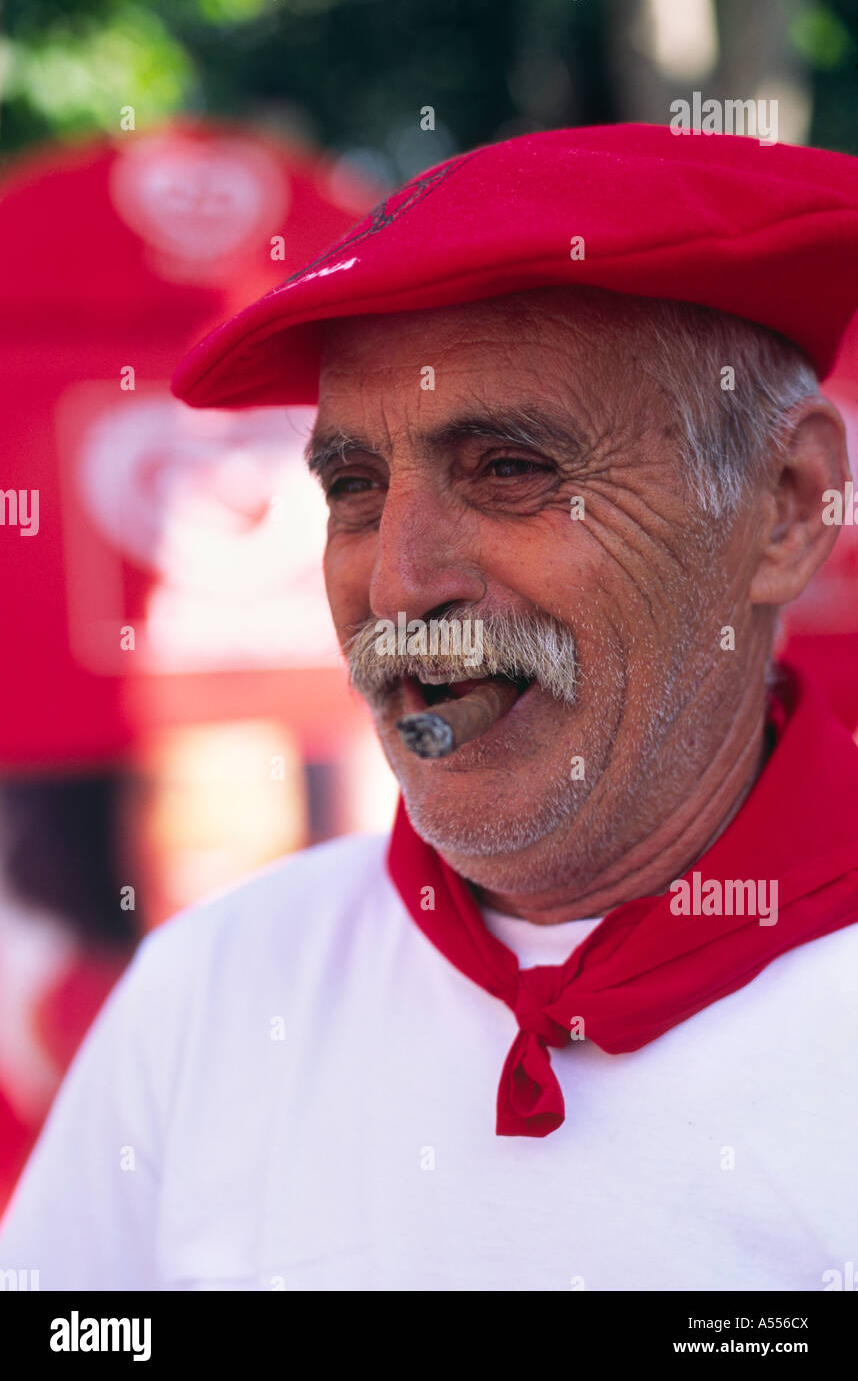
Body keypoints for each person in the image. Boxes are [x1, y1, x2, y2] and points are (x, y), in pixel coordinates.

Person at [2, 124, 857, 1292]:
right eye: (354, 486)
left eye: (510, 468)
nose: (398, 581)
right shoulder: (216, 986)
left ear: (788, 505)